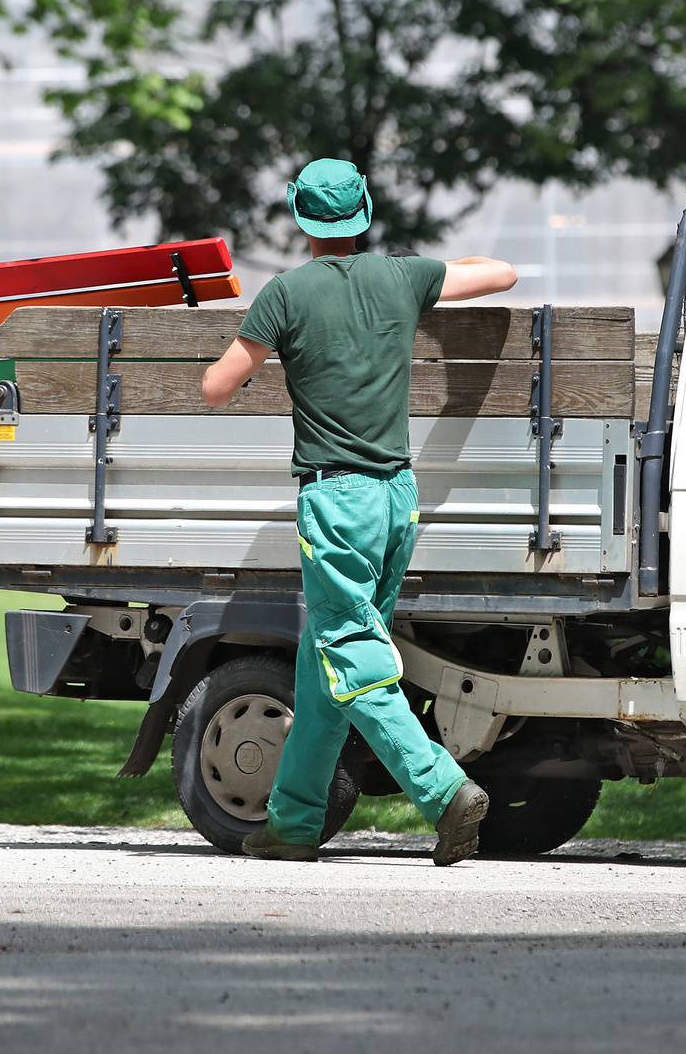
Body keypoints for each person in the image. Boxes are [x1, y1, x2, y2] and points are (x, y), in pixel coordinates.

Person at [201, 158, 518, 865]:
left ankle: (442, 791)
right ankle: (292, 822)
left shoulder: (285, 295)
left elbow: (216, 387)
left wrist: (264, 347)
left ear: (300, 220)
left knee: (349, 651)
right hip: (396, 500)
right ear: (364, 212)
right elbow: (499, 273)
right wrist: (436, 267)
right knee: (330, 658)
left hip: (336, 500)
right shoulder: (403, 277)